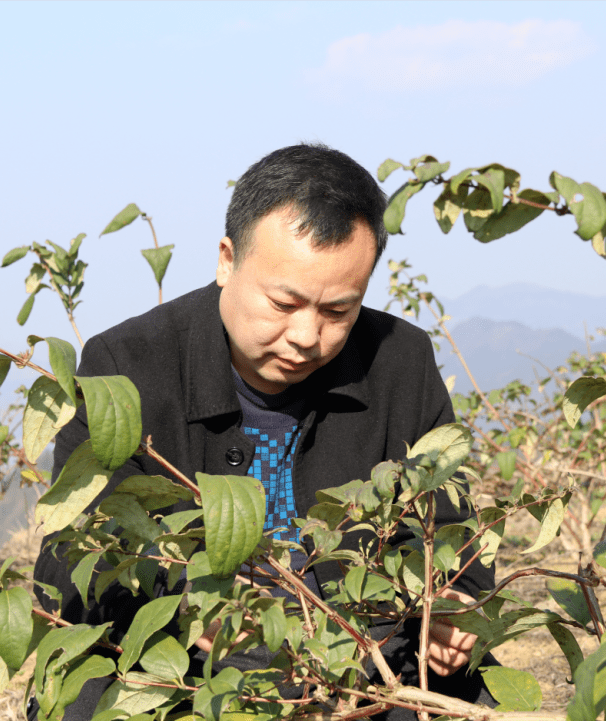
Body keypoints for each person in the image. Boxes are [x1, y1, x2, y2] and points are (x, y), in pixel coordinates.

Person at [31, 143, 496, 720]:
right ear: (227, 260)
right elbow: (72, 558)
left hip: (365, 665)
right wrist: (190, 603)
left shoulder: (400, 363)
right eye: (284, 302)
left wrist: (451, 599)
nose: (306, 335)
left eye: (337, 312)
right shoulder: (125, 368)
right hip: (185, 669)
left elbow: (450, 528)